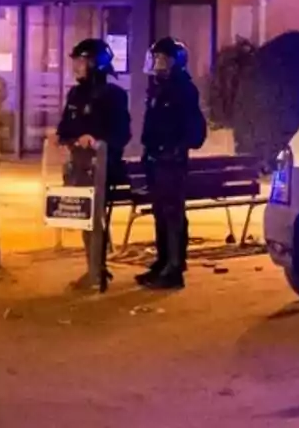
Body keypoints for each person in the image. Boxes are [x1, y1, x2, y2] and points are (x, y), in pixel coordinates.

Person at [56, 39, 131, 287]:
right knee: (84, 217)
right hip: (78, 165)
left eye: (82, 62)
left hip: (103, 167)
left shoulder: (114, 95)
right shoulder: (75, 94)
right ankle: (95, 267)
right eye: (75, 62)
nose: (76, 67)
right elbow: (65, 126)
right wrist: (64, 138)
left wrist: (98, 141)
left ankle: (97, 270)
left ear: (96, 64)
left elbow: (122, 133)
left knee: (93, 217)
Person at [137, 37, 207, 290]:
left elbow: (191, 127)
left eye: (163, 58)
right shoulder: (157, 87)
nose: (158, 63)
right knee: (160, 212)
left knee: (172, 212)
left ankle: (175, 267)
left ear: (175, 62)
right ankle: (163, 260)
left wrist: (176, 149)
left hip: (172, 160)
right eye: (155, 58)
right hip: (156, 158)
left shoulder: (183, 89)